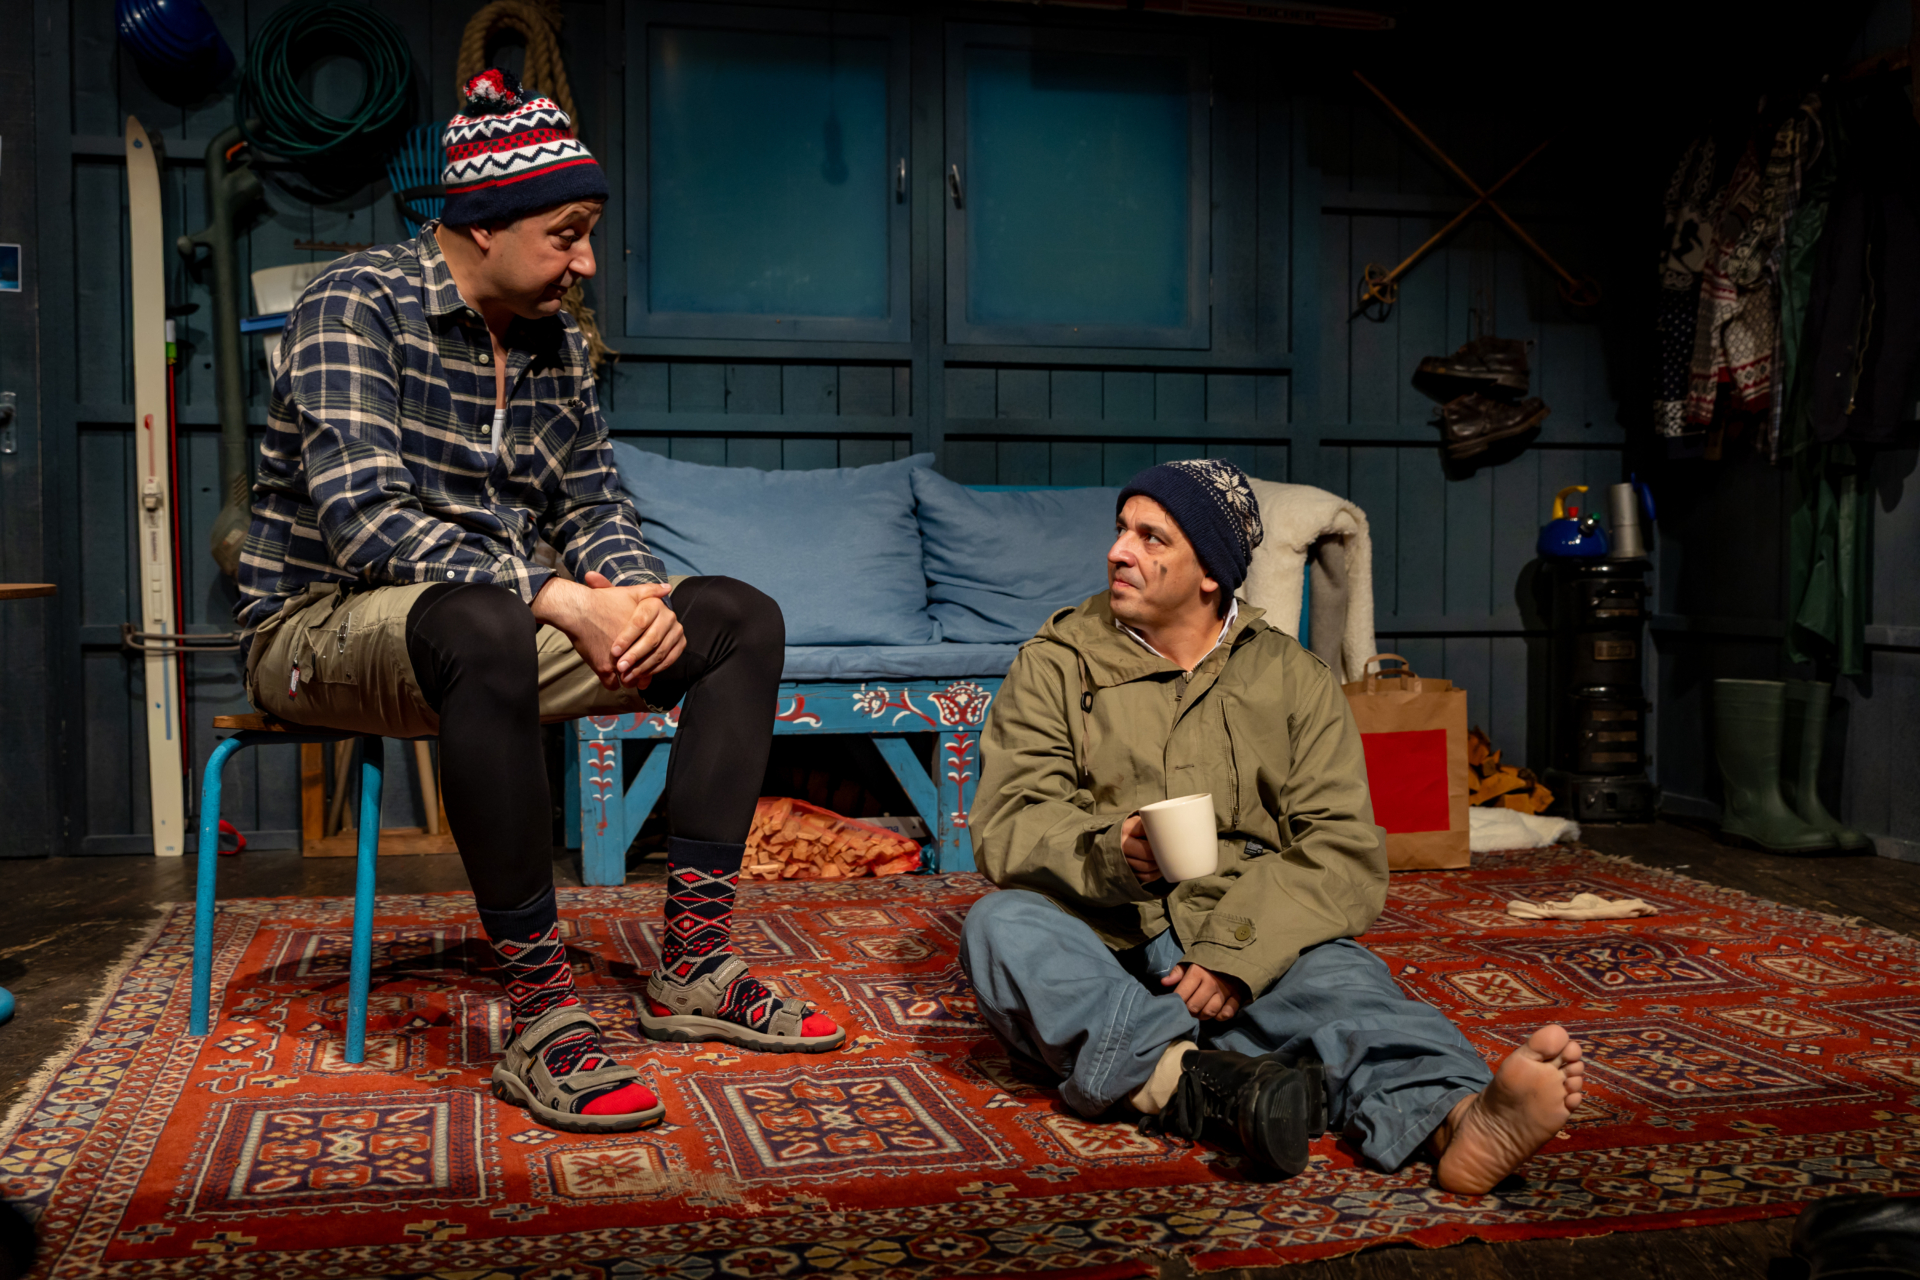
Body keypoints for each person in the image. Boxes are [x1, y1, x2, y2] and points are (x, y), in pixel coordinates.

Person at [234, 68, 842, 1137]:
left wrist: (633, 597)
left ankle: (695, 964)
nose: (586, 261)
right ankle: (542, 1014)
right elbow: (365, 521)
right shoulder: (354, 302)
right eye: (567, 235)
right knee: (486, 622)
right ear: (482, 225)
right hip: (319, 628)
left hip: (496, 630)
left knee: (738, 617)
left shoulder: (556, 340)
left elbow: (594, 502)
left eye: (588, 234)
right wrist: (558, 595)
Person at [960, 459, 1583, 1192]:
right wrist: (1113, 854)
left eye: (1152, 538)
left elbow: (1342, 849)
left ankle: (1459, 1117)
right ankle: (1205, 1084)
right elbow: (1009, 819)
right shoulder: (1056, 664)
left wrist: (1237, 954)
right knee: (1001, 930)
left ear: (1210, 574)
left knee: (1346, 986)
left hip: (1247, 923)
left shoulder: (1294, 680)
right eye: (1122, 529)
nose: (1118, 551)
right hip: (1102, 928)